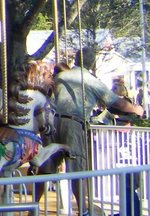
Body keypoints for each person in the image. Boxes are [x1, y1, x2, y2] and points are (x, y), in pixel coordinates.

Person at [54, 48, 144, 216]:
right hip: (74, 123)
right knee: (78, 169)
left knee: (47, 167)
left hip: (54, 122)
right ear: (92, 63)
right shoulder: (90, 80)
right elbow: (117, 102)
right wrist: (136, 109)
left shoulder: (60, 77)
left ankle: (33, 208)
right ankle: (83, 210)